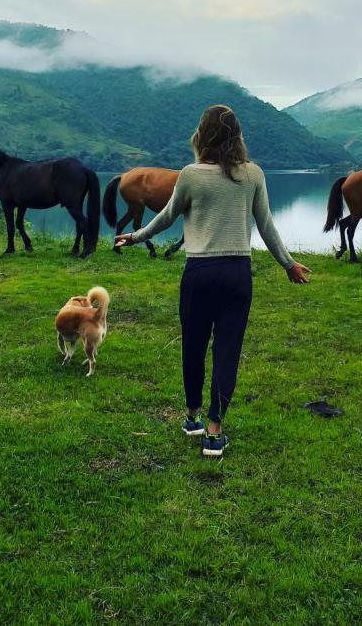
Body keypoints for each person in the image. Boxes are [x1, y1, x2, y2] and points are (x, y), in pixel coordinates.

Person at [116, 104, 311, 458]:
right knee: (227, 350)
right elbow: (266, 226)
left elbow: (166, 217)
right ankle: (215, 431)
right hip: (237, 274)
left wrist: (135, 236)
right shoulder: (253, 174)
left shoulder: (189, 174)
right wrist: (288, 264)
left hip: (199, 273)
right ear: (237, 137)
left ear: (202, 135)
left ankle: (192, 418)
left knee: (193, 344)